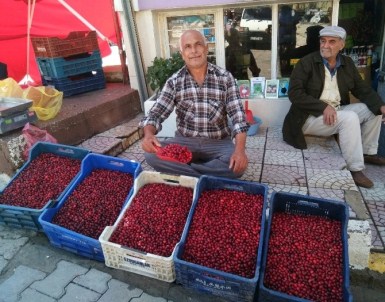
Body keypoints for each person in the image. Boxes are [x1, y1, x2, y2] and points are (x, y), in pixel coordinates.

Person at [282, 25, 385, 188]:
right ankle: (355, 168)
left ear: (341, 45)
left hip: (334, 113)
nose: (325, 46)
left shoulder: (347, 63)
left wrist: (381, 106)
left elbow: (362, 89)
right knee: (350, 118)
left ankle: (366, 151)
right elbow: (294, 93)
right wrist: (322, 107)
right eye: (323, 41)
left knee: (373, 110)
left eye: (331, 42)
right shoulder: (306, 63)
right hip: (307, 119)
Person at [139, 29, 249, 179]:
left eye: (198, 45)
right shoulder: (174, 81)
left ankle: (187, 171)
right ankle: (206, 173)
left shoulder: (225, 78)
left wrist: (240, 150)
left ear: (206, 48)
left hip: (217, 143)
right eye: (188, 47)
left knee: (237, 167)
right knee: (151, 155)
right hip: (185, 141)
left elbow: (238, 119)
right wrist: (148, 134)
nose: (194, 51)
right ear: (182, 53)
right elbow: (155, 114)